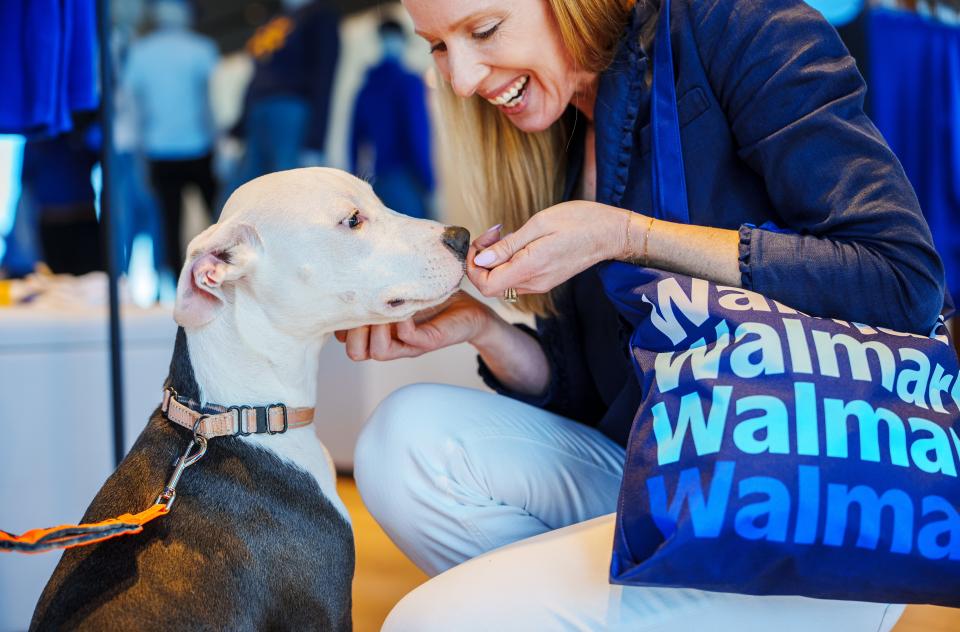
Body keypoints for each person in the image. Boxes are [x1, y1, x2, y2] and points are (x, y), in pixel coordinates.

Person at [342, 0, 945, 629]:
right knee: (401, 439)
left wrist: (630, 236)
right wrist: (485, 329)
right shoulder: (564, 125)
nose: (461, 80)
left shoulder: (740, 25)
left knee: (436, 619)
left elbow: (901, 278)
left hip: (805, 498)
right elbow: (599, 393)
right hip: (670, 475)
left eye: (485, 30)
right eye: (437, 46)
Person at [123, 0, 219, 276]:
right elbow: (212, 102)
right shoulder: (201, 48)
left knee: (171, 224)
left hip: (165, 148)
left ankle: (181, 284)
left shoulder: (141, 53)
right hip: (193, 147)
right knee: (214, 219)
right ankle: (216, 279)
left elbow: (134, 108)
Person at [228, 0, 340, 192]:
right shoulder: (275, 22)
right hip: (258, 114)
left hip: (291, 111)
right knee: (244, 189)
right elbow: (256, 77)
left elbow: (324, 77)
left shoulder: (319, 16)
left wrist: (315, 142)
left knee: (289, 189)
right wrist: (238, 129)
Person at [350, 19, 435, 219]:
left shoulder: (366, 87)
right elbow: (417, 133)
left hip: (377, 182)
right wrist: (429, 180)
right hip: (407, 179)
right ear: (402, 41)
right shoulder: (409, 82)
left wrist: (355, 184)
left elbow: (354, 141)